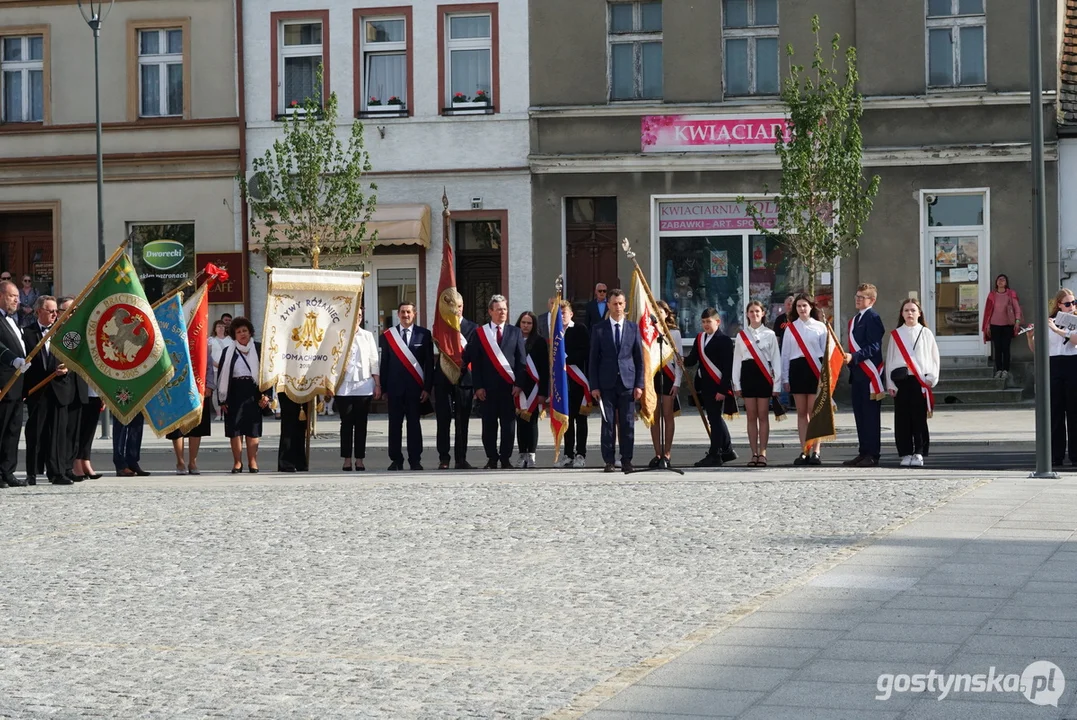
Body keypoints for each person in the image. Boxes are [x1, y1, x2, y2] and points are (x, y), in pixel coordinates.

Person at [23, 295, 78, 485]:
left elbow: (75, 357)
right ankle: (31, 472)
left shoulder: (64, 332)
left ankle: (57, 472)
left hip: (60, 389)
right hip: (38, 390)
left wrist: (67, 368)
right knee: (35, 434)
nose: (55, 314)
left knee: (58, 434)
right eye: (51, 311)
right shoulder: (27, 333)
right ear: (39, 311)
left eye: (56, 311)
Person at [588, 288, 644, 472]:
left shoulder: (633, 328)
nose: (618, 307)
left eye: (621, 303)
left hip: (627, 382)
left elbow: (638, 358)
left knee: (627, 423)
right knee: (608, 423)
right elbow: (593, 359)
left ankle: (626, 459)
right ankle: (609, 460)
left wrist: (639, 384)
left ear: (625, 305)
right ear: (609, 305)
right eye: (614, 304)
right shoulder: (599, 329)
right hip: (606, 383)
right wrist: (594, 385)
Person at [468, 295, 526, 469]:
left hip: (509, 388)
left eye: (505, 309)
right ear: (490, 311)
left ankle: (506, 458)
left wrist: (519, 384)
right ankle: (492, 458)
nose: (502, 312)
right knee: (489, 426)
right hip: (488, 388)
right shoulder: (480, 333)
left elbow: (521, 360)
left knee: (508, 426)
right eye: (499, 309)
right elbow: (476, 362)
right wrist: (478, 386)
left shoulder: (515, 332)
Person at [379, 301, 434, 471]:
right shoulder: (388, 335)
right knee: (394, 426)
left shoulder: (424, 335)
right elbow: (385, 364)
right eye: (402, 312)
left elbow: (429, 364)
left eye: (409, 312)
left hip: (415, 389)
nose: (406, 315)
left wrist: (427, 388)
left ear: (414, 314)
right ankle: (396, 459)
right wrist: (384, 388)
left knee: (414, 426)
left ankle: (415, 459)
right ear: (398, 314)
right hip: (394, 390)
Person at [886, 298, 940, 467]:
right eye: (906, 310)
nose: (910, 313)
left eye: (913, 310)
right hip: (901, 380)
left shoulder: (926, 333)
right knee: (902, 419)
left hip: (920, 380)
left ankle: (919, 452)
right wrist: (890, 384)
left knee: (918, 418)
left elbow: (934, 357)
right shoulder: (896, 334)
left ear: (919, 313)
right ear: (902, 314)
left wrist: (932, 377)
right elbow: (890, 359)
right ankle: (905, 452)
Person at [216, 316, 272, 473]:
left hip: (254, 391)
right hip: (234, 391)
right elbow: (221, 375)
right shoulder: (228, 352)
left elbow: (267, 373)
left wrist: (267, 395)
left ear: (250, 332)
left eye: (245, 331)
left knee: (253, 429)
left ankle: (253, 462)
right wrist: (222, 400)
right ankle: (237, 462)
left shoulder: (259, 349)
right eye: (239, 331)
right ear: (234, 334)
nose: (242, 334)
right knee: (235, 430)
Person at [1029, 289, 1077, 466]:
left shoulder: (1075, 320)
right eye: (1067, 303)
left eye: (1074, 303)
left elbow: (1076, 340)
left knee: (1074, 412)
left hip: (1073, 364)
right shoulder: (1049, 322)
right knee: (1055, 412)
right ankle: (1055, 456)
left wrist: (1057, 330)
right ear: (1058, 305)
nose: (1071, 306)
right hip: (1054, 365)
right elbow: (1038, 350)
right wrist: (1030, 337)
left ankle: (1075, 456)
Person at [684, 307, 737, 467]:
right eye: (703, 322)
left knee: (714, 419)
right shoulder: (700, 338)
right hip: (704, 386)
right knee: (714, 418)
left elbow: (728, 368)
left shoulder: (725, 341)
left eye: (709, 321)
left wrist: (723, 390)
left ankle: (715, 454)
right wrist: (681, 358)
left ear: (718, 322)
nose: (706, 325)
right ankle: (727, 450)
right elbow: (692, 360)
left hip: (718, 386)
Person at [733, 300, 782, 467]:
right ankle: (753, 453)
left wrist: (777, 385)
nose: (754, 314)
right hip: (747, 374)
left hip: (763, 375)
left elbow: (776, 360)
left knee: (763, 415)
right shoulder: (741, 335)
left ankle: (763, 452)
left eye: (757, 311)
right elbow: (737, 360)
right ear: (747, 314)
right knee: (751, 416)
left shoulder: (769, 334)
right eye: (751, 311)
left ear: (763, 314)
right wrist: (736, 384)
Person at [781, 293, 828, 466]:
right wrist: (784, 378)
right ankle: (805, 450)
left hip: (815, 370)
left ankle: (816, 451)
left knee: (815, 412)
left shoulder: (820, 327)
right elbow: (785, 355)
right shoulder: (790, 328)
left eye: (805, 306)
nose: (802, 309)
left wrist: (826, 376)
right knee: (802, 413)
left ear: (811, 307)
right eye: (799, 306)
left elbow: (826, 353)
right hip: (797, 370)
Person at [843, 284, 885, 468]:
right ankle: (863, 452)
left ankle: (873, 454)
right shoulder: (855, 319)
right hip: (858, 373)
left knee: (870, 416)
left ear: (872, 300)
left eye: (862, 297)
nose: (858, 299)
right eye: (857, 295)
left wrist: (854, 357)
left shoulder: (873, 317)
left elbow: (874, 345)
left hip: (870, 374)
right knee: (860, 416)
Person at [433, 293, 477, 470]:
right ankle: (444, 458)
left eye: (459, 307)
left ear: (463, 307)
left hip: (465, 378)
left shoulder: (473, 328)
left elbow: (474, 354)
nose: (457, 310)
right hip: (443, 376)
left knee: (462, 420)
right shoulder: (442, 326)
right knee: (443, 420)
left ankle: (461, 458)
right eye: (454, 307)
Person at [335, 307, 380, 471]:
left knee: (361, 424)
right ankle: (347, 459)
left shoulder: (367, 336)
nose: (358, 318)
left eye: (360, 315)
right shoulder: (339, 334)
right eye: (355, 315)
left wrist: (377, 384)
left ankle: (359, 459)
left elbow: (374, 360)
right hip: (344, 386)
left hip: (364, 385)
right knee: (346, 423)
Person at [167, 345, 215, 475]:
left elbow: (208, 366)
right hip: (177, 388)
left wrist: (209, 385)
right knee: (177, 427)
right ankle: (180, 461)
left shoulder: (200, 338)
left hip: (198, 389)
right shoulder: (174, 335)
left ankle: (193, 461)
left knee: (196, 426)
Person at [648, 300, 682, 469]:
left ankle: (667, 453)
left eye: (661, 311)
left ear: (667, 314)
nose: (658, 314)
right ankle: (657, 453)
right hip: (653, 376)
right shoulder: (649, 332)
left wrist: (677, 382)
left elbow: (679, 359)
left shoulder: (673, 333)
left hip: (668, 377)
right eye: (655, 311)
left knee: (667, 415)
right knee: (654, 417)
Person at [0, 279, 27, 488]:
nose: (16, 300)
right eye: (12, 296)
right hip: (3, 384)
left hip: (17, 386)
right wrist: (12, 359)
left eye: (17, 297)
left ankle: (7, 471)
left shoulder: (14, 320)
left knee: (13, 430)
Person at [559, 300, 592, 468]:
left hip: (578, 380)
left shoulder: (579, 329)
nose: (561, 316)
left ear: (571, 314)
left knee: (580, 419)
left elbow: (585, 351)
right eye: (559, 313)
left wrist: (565, 359)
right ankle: (567, 454)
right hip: (562, 382)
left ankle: (580, 453)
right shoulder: (555, 332)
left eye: (564, 313)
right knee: (567, 419)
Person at [514, 310, 549, 468]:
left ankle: (532, 454)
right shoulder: (513, 338)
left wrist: (543, 392)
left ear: (533, 325)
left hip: (534, 388)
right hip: (518, 387)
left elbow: (544, 368)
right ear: (519, 323)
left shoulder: (539, 341)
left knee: (532, 421)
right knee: (521, 423)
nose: (526, 326)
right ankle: (522, 454)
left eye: (529, 323)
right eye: (523, 323)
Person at [982, 273, 1024, 380]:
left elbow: (1017, 308)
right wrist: (987, 326)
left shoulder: (1011, 294)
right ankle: (998, 370)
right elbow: (987, 312)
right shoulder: (992, 295)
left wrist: (1017, 321)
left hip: (1007, 325)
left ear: (1006, 283)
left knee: (1006, 348)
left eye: (1003, 280)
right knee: (997, 348)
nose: (1000, 281)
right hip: (994, 325)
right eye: (999, 280)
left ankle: (1006, 370)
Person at [208, 319, 233, 420]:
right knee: (215, 391)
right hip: (214, 368)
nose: (221, 328)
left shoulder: (230, 340)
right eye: (218, 326)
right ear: (215, 328)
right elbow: (208, 355)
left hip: (226, 368)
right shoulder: (211, 340)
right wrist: (216, 364)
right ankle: (218, 413)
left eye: (222, 326)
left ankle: (227, 411)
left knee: (226, 390)